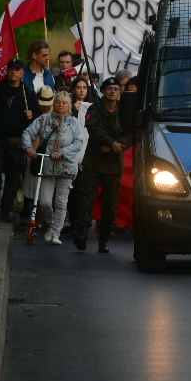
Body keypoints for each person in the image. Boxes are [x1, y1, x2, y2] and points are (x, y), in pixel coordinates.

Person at [71, 79, 132, 253]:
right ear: (103, 91)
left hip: (113, 165)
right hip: (93, 162)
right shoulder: (94, 108)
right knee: (86, 198)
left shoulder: (125, 112)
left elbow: (131, 133)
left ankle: (104, 238)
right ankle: (81, 232)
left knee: (110, 202)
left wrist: (116, 146)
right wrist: (110, 142)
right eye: (109, 89)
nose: (113, 92)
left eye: (116, 89)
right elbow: (93, 128)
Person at [22, 91, 87, 245]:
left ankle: (56, 233)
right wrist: (28, 148)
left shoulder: (74, 123)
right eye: (58, 102)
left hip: (66, 167)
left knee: (61, 202)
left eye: (64, 103)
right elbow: (27, 132)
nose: (61, 105)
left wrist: (62, 152)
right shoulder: (44, 120)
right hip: (47, 166)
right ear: (54, 103)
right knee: (44, 201)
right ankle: (50, 223)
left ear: (69, 106)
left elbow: (78, 142)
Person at [0, 58, 36, 222]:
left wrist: (32, 115)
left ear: (22, 73)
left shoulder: (28, 92)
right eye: (11, 69)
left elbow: (37, 116)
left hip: (17, 141)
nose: (13, 72)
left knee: (13, 178)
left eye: (17, 70)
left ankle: (5, 210)